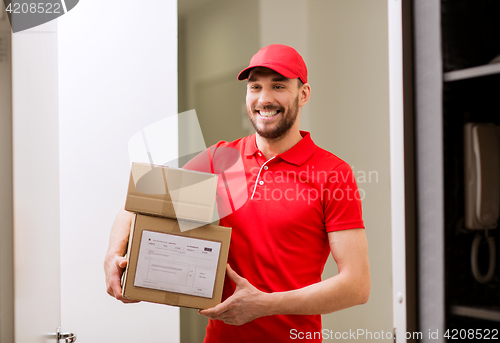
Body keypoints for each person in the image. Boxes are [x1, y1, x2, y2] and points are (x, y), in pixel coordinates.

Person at [105, 44, 370, 342]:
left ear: (303, 94)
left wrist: (264, 305)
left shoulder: (333, 173)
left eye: (279, 86)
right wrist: (114, 254)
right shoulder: (220, 159)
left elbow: (356, 285)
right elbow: (140, 201)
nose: (264, 98)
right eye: (255, 86)